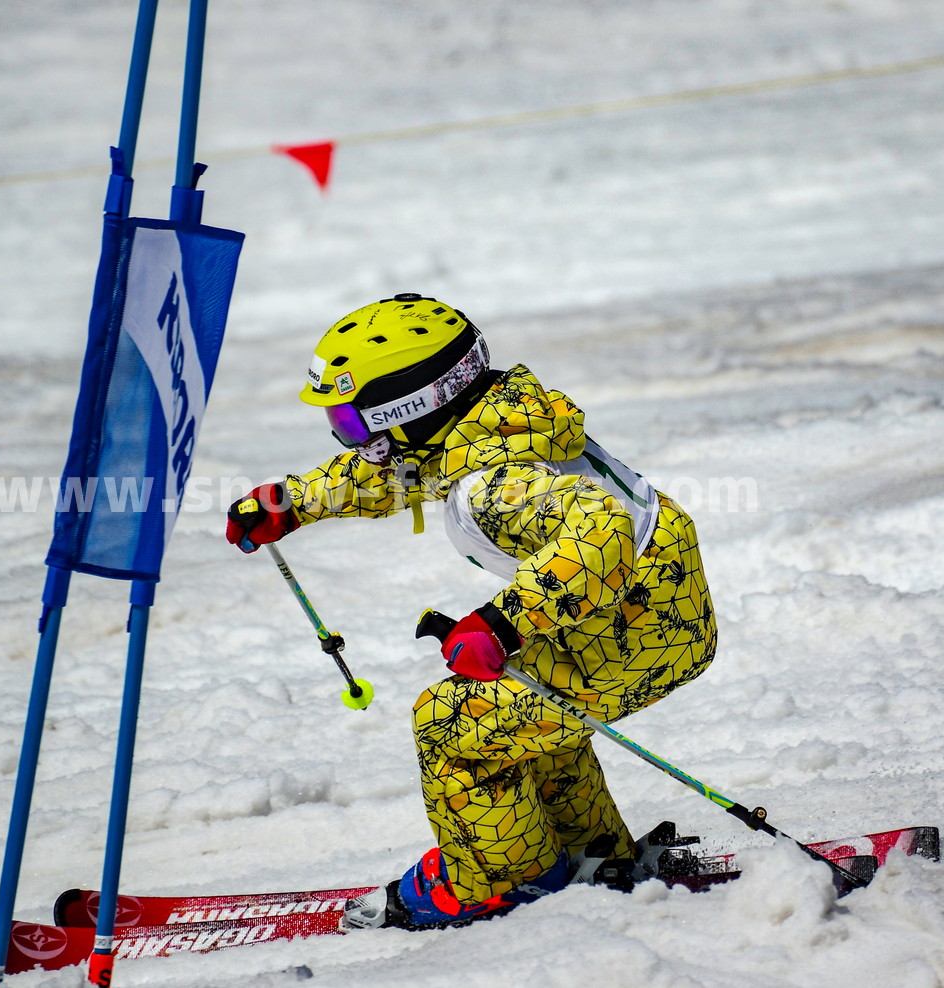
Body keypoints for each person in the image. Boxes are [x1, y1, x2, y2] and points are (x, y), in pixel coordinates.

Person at [225, 293, 717, 929]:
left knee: (449, 726)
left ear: (415, 405)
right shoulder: (490, 421)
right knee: (515, 710)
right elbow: (403, 471)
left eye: (351, 421)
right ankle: (588, 853)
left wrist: (503, 622)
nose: (352, 438)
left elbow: (601, 529)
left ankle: (505, 882)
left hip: (633, 635)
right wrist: (295, 502)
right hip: (636, 618)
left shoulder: (491, 485)